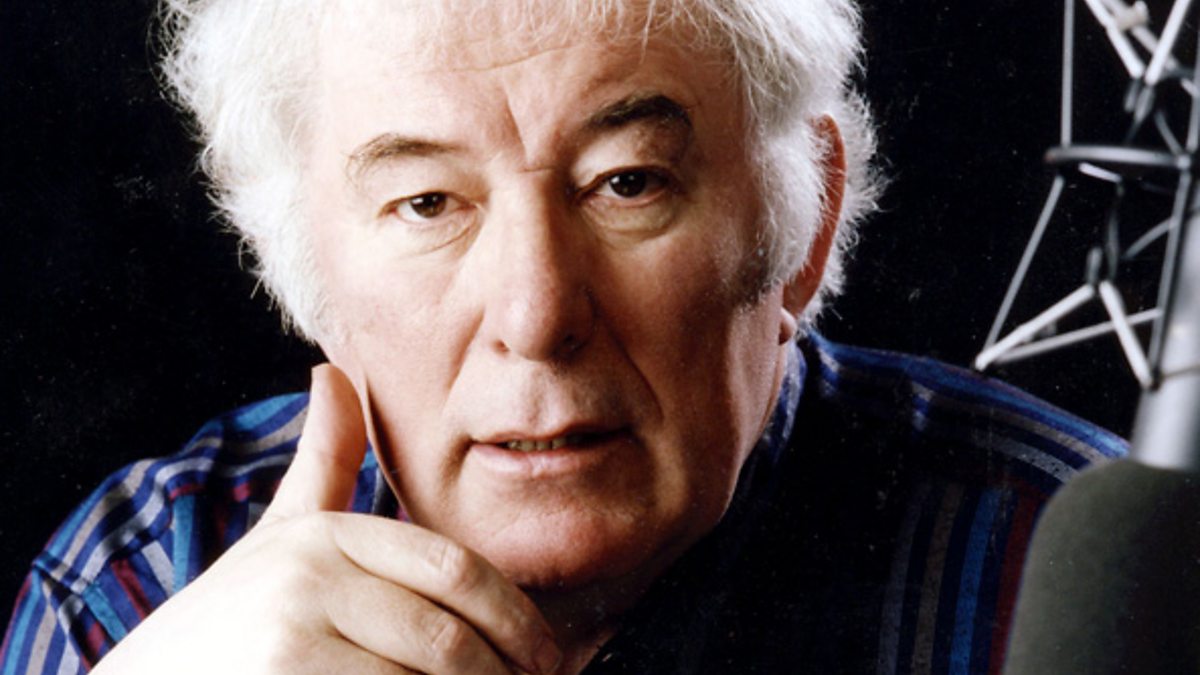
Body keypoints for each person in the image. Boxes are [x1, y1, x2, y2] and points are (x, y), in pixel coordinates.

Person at [0, 1, 1126, 673]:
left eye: (627, 183)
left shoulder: (1092, 587)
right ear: (307, 266)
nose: (536, 318)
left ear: (806, 223)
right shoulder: (146, 591)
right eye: (428, 205)